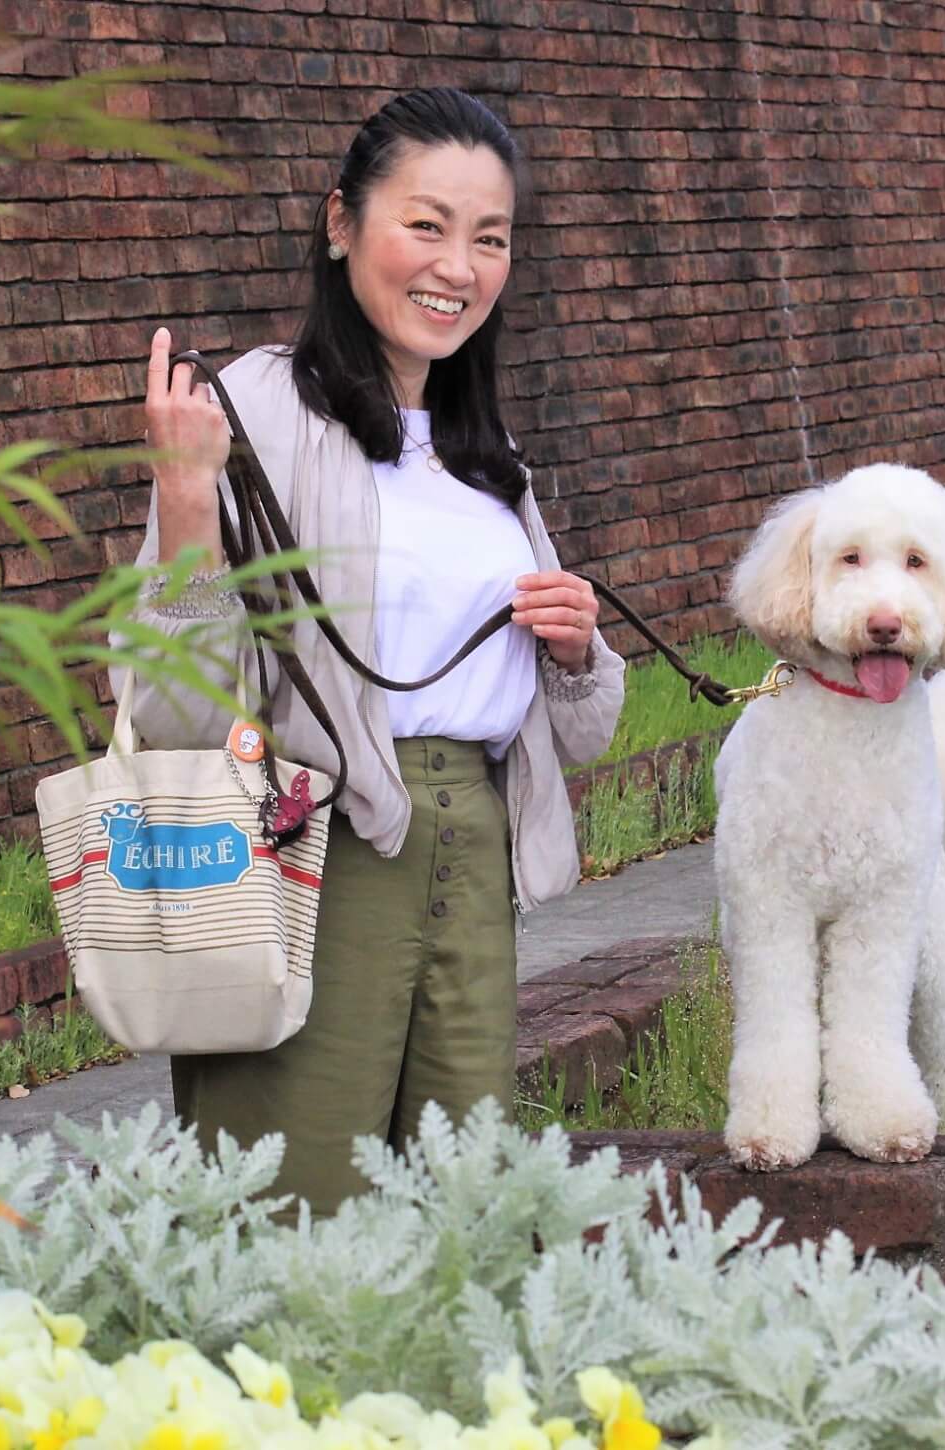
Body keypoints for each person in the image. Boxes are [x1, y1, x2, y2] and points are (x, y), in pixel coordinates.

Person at [115, 86, 626, 1213]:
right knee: (296, 1205)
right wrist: (188, 502)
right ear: (339, 223)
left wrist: (576, 645)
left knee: (460, 1210)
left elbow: (578, 727)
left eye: (489, 238)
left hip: (473, 850)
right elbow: (181, 715)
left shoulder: (484, 453)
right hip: (314, 849)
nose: (458, 265)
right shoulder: (250, 413)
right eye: (426, 224)